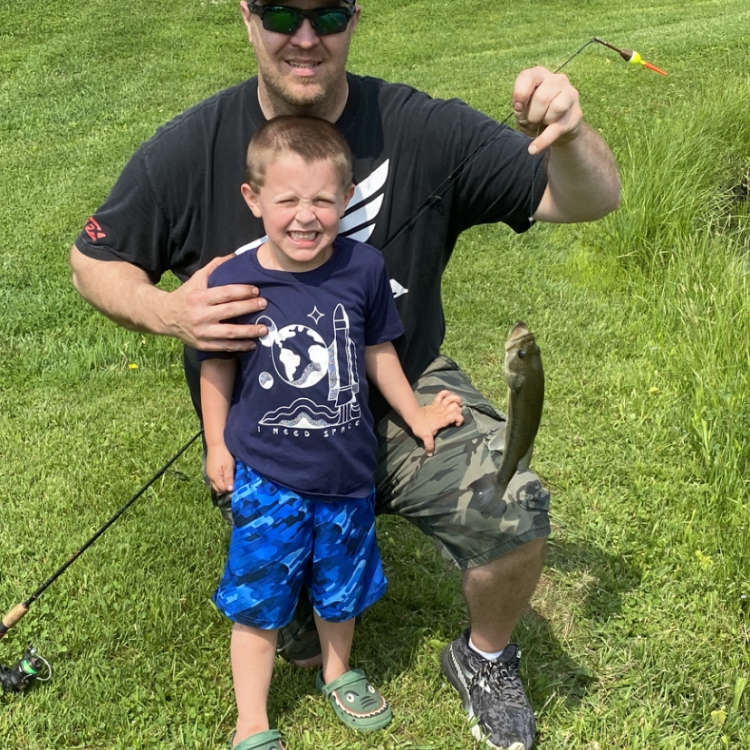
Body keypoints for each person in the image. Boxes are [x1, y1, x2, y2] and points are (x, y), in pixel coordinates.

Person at [69, 1, 621, 748]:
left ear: (354, 18)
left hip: (402, 385)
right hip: (271, 420)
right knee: (281, 598)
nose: (304, 36)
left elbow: (590, 198)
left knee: (515, 504)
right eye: (281, 13)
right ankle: (291, 622)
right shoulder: (192, 145)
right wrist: (168, 313)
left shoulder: (420, 126)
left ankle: (485, 658)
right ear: (246, 16)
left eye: (327, 13)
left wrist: (568, 136)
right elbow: (93, 260)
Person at [200, 114, 464, 750]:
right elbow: (214, 363)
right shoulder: (231, 279)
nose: (304, 216)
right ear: (253, 197)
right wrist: (216, 444)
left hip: (347, 475)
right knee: (259, 596)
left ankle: (339, 673)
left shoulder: (365, 268)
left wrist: (418, 414)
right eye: (286, 199)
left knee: (341, 586)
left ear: (347, 198)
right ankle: (251, 718)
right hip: (267, 477)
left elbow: (378, 353)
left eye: (322, 199)